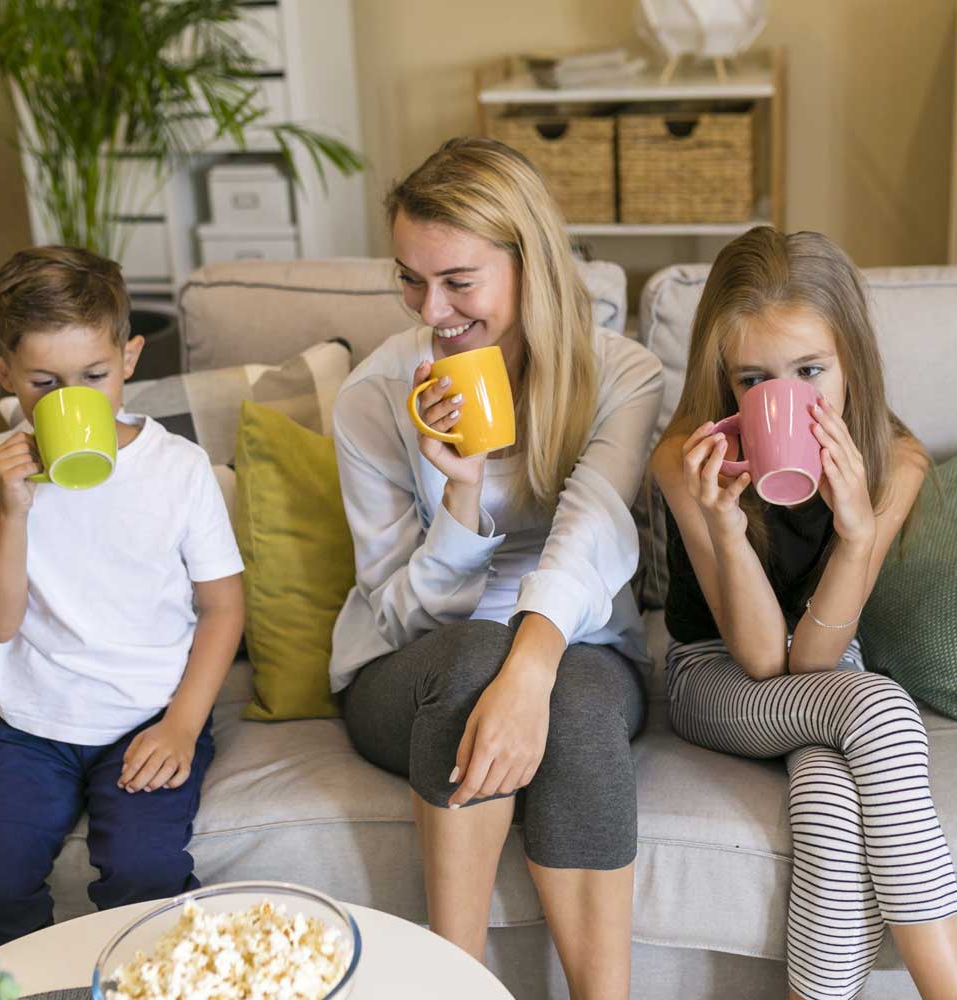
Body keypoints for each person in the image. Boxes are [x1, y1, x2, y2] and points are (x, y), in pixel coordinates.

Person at [329, 138, 662, 999]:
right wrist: (463, 493)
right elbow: (398, 615)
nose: (430, 309)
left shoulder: (621, 375)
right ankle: (456, 983)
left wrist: (531, 666)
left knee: (578, 697)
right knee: (477, 658)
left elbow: (593, 530)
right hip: (408, 668)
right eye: (410, 278)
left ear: (530, 263)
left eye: (458, 281)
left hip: (578, 651)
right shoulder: (374, 397)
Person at [650, 226, 957, 1000]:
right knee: (885, 713)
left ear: (851, 365)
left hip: (827, 678)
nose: (782, 398)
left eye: (809, 372)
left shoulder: (896, 461)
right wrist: (728, 532)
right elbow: (765, 663)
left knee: (830, 806)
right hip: (716, 676)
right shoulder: (683, 459)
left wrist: (858, 530)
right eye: (753, 380)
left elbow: (817, 662)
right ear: (726, 385)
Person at [0, 246, 245, 949]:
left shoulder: (177, 469)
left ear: (130, 360)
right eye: (44, 383)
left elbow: (224, 607)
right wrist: (15, 511)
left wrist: (183, 726)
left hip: (147, 714)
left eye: (93, 377)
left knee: (144, 875)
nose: (69, 399)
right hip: (31, 728)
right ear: (4, 374)